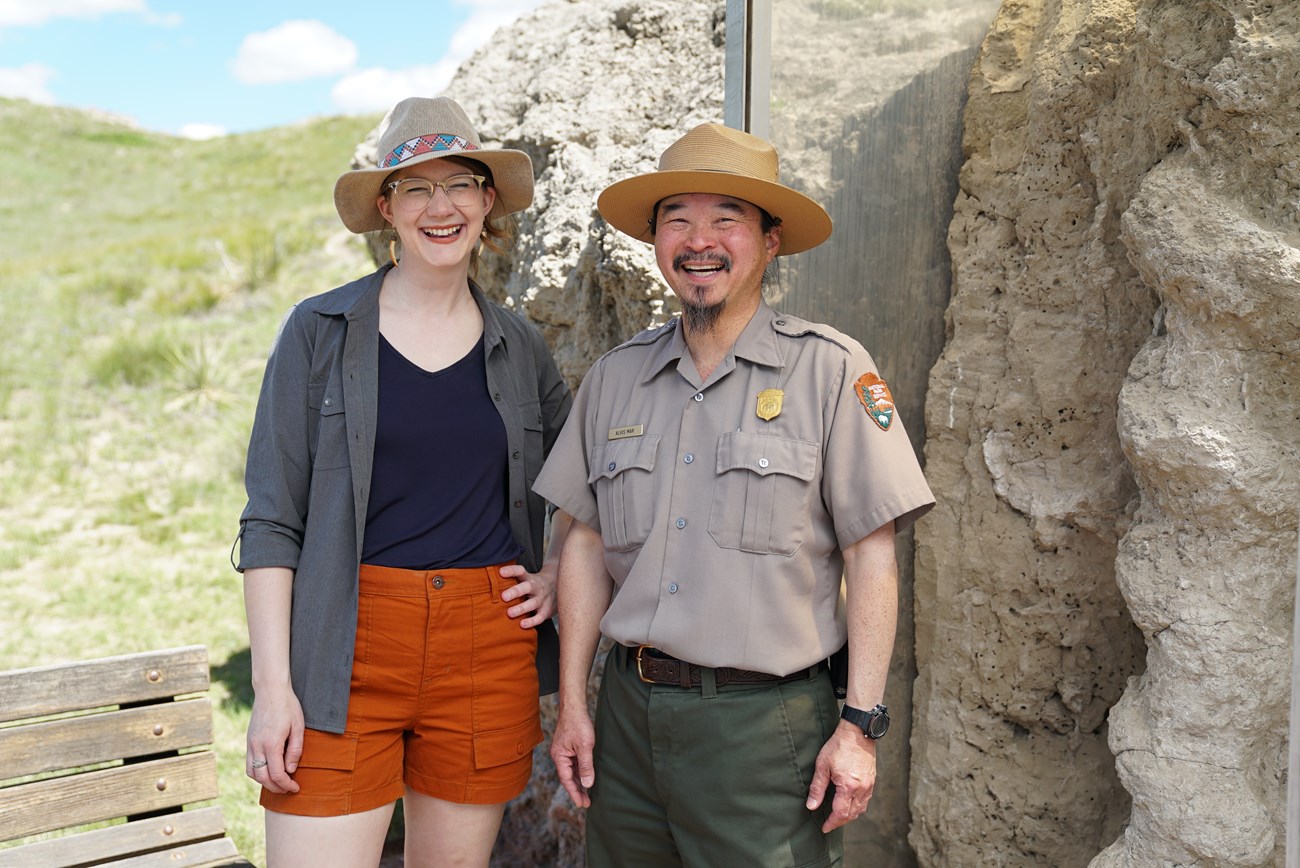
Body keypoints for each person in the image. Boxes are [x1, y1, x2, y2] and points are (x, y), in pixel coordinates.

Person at [536, 123, 935, 867]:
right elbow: (584, 543)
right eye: (677, 219)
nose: (700, 240)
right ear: (655, 240)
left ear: (770, 240)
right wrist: (574, 706)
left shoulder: (831, 370)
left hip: (765, 729)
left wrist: (859, 727)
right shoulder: (616, 378)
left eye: (727, 219)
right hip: (627, 722)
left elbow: (872, 556)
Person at [235, 96, 573, 868]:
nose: (440, 206)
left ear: (488, 201)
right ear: (386, 208)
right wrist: (272, 687)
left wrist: (557, 572)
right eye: (415, 188)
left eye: (459, 183)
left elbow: (584, 478)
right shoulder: (317, 334)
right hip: (342, 645)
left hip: (487, 646)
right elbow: (270, 523)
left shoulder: (519, 345)